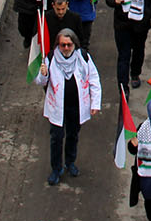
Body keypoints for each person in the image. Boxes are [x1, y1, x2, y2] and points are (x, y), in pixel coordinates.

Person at [35, 28, 102, 182]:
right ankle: (56, 168)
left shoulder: (83, 57)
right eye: (62, 45)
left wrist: (95, 103)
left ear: (74, 44)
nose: (65, 48)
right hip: (57, 107)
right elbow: (41, 82)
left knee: (73, 135)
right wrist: (43, 74)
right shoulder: (50, 58)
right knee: (56, 138)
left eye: (69, 45)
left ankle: (70, 162)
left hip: (76, 107)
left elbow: (93, 80)